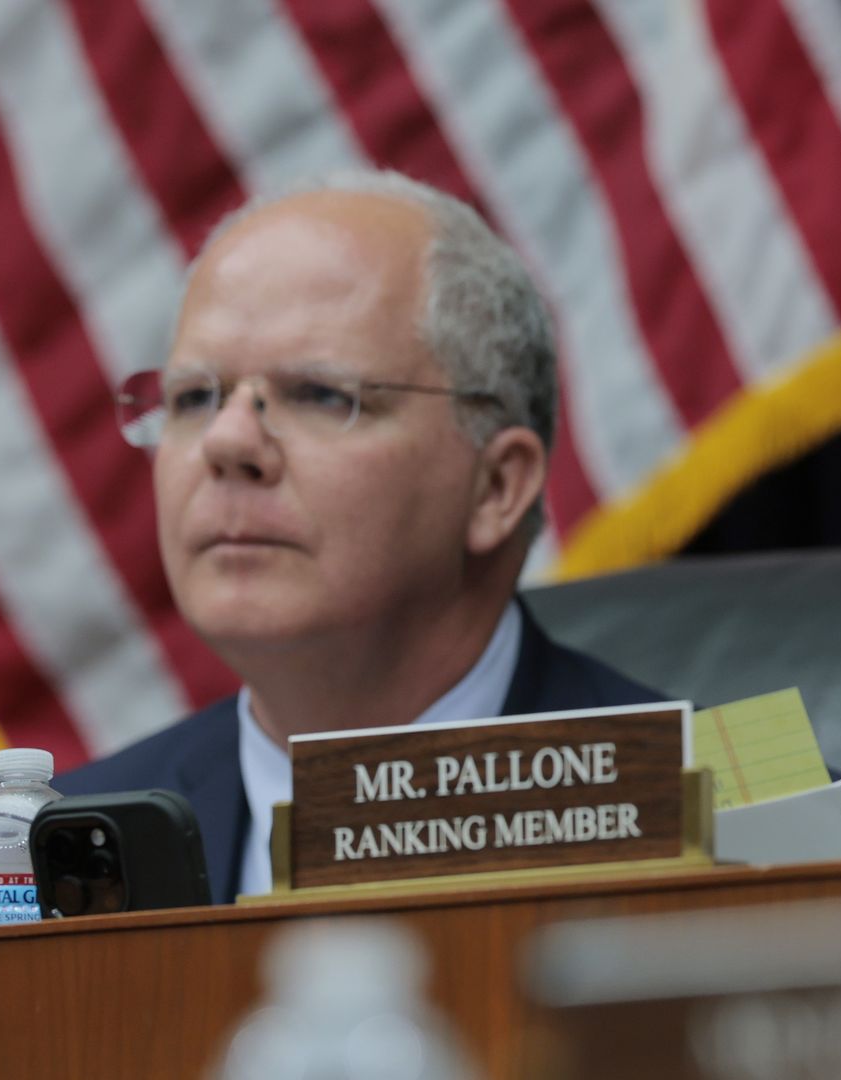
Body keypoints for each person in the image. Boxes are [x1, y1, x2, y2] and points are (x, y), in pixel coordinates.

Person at [58, 171, 663, 901]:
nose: (227, 441)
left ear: (496, 488)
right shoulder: (63, 859)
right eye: (192, 398)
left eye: (321, 394)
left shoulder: (706, 819)